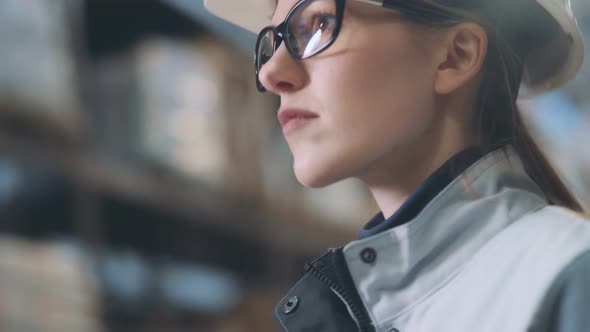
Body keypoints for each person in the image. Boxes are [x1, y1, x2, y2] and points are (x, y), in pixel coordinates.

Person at [204, 0, 590, 331]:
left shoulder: (570, 279)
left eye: (318, 23)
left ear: (456, 55)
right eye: (272, 43)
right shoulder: (386, 305)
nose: (270, 73)